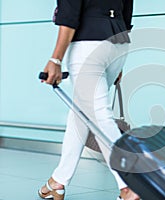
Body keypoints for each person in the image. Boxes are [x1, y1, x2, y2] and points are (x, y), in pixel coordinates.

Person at [38, 0, 140, 200]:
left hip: (88, 44)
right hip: (118, 45)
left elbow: (69, 13)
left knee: (99, 116)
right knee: (81, 113)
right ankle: (57, 181)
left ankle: (128, 184)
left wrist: (55, 59)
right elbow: (126, 13)